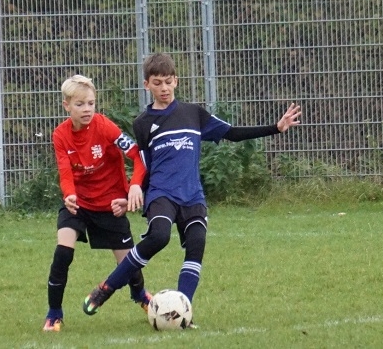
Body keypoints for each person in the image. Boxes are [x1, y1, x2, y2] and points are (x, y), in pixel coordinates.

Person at [82, 52, 302, 320]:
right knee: (159, 237)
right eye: (157, 83)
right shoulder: (143, 123)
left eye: (168, 81)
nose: (164, 88)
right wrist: (131, 193)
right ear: (146, 85)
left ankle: (181, 311)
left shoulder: (193, 114)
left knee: (197, 245)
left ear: (176, 81)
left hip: (192, 195)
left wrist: (275, 128)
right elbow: (144, 164)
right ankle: (106, 288)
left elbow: (232, 133)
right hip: (161, 193)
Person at [43, 74, 150, 332]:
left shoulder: (105, 127)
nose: (87, 109)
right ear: (66, 105)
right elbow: (65, 172)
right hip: (78, 204)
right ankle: (54, 314)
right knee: (63, 252)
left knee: (129, 265)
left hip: (110, 205)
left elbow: (137, 156)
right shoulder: (60, 135)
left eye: (91, 103)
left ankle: (141, 297)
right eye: (80, 104)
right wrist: (69, 194)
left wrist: (132, 188)